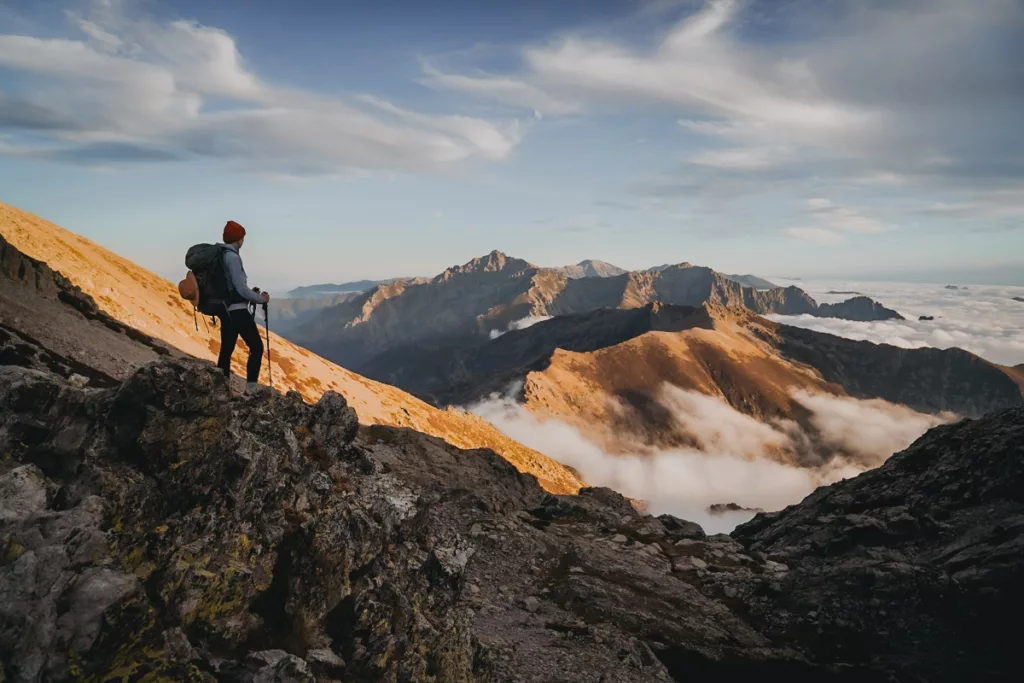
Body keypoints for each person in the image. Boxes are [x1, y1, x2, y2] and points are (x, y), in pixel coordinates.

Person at [217, 220, 270, 393]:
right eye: (242, 237)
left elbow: (234, 288)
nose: (243, 240)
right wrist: (260, 299)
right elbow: (240, 289)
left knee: (226, 350)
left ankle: (221, 388)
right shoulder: (232, 257)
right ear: (238, 239)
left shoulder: (222, 256)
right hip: (238, 311)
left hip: (226, 310)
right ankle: (251, 389)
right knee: (257, 347)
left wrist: (250, 294)